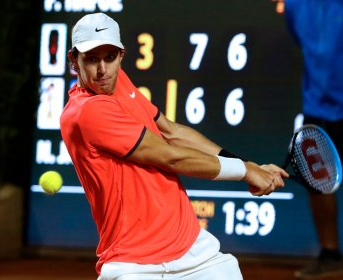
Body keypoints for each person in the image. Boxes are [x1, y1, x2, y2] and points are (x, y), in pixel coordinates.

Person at [60, 13, 288, 280]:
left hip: (192, 249)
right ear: (73, 60)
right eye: (91, 59)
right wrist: (245, 171)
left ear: (121, 55)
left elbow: (171, 131)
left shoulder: (117, 80)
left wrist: (248, 165)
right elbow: (170, 157)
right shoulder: (86, 112)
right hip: (134, 264)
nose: (102, 69)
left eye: (110, 58)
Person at [273, 0, 343, 278]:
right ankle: (330, 254)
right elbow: (308, 45)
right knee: (319, 182)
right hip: (318, 105)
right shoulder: (294, 6)